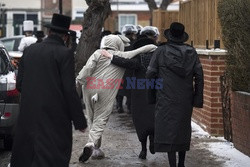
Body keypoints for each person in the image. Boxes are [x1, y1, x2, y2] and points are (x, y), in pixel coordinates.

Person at [10, 13, 88, 167]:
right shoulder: (64, 53)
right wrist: (79, 121)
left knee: (27, 156)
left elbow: (19, 84)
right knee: (51, 156)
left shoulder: (29, 50)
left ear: (49, 32)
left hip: (28, 115)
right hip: (54, 118)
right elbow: (69, 90)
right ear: (65, 36)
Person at [76, 34, 157, 162]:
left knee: (91, 117)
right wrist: (154, 46)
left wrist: (79, 81)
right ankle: (92, 144)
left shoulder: (98, 53)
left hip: (89, 86)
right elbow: (144, 49)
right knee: (101, 118)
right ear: (117, 44)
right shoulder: (121, 55)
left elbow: (88, 68)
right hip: (105, 89)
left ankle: (96, 148)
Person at [146, 22, 204, 167]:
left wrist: (151, 94)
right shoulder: (191, 52)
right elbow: (199, 76)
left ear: (170, 35)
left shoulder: (160, 51)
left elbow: (150, 74)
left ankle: (173, 164)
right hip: (185, 98)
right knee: (182, 129)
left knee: (167, 130)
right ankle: (181, 164)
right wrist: (197, 97)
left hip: (165, 96)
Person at [101, 26, 160, 159]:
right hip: (154, 91)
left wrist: (110, 57)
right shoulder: (158, 58)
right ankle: (153, 140)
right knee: (153, 117)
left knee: (140, 120)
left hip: (138, 93)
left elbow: (123, 62)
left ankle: (143, 148)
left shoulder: (138, 59)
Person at [116, 24, 138, 113]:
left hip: (121, 68)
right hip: (130, 69)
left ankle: (119, 105)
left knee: (120, 88)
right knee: (129, 90)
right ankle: (129, 107)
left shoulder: (119, 43)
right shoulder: (135, 43)